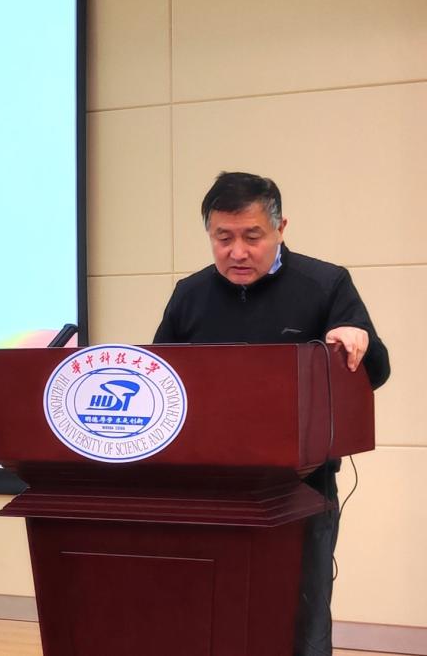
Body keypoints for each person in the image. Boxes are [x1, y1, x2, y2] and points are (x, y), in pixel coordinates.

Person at [153, 171, 390, 656]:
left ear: (281, 229)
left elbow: (378, 370)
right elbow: (161, 382)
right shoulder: (190, 294)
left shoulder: (324, 284)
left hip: (301, 486)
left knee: (300, 617)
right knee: (210, 613)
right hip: (207, 486)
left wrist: (357, 340)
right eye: (223, 238)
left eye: (252, 236)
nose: (237, 252)